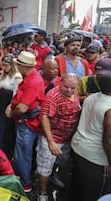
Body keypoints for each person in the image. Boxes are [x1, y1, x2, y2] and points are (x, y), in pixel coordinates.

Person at [71, 73, 111, 200]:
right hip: (96, 159)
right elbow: (110, 138)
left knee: (78, 187)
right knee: (93, 194)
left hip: (79, 148)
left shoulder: (91, 97)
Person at [36, 73, 81, 201]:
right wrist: (51, 142)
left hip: (67, 139)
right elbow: (44, 117)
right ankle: (42, 192)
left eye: (73, 88)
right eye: (66, 86)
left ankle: (52, 177)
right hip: (53, 138)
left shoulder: (74, 93)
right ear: (60, 82)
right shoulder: (53, 96)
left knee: (58, 162)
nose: (69, 90)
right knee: (44, 167)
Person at [5, 51, 45, 192]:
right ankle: (25, 177)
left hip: (26, 123)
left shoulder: (33, 81)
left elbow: (22, 108)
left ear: (22, 66)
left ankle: (25, 183)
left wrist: (12, 113)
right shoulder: (30, 77)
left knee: (22, 154)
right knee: (24, 153)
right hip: (27, 121)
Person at [0, 54, 23, 158]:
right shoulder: (5, 73)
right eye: (2, 65)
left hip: (8, 107)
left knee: (6, 132)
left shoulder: (17, 77)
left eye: (6, 65)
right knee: (0, 130)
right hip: (0, 105)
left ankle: (5, 154)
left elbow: (15, 94)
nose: (3, 68)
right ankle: (0, 150)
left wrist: (2, 90)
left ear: (11, 65)